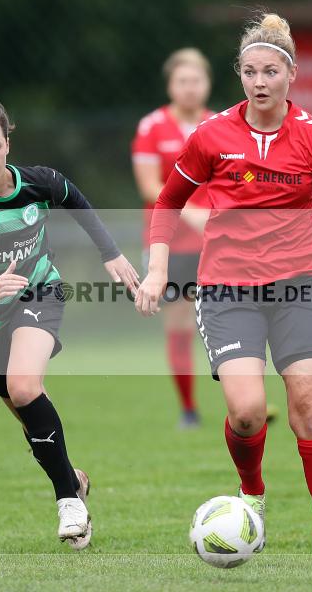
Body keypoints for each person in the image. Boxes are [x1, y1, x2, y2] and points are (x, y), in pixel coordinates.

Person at [134, 14, 312, 571]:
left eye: (270, 71)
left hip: (301, 285)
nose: (259, 81)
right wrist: (156, 269)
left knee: (311, 411)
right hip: (228, 288)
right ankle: (252, 491)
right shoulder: (212, 136)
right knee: (248, 413)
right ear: (240, 76)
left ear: (290, 74)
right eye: (249, 71)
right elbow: (167, 202)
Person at [0, 99, 139, 550]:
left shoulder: (39, 183)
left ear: (8, 143)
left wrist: (112, 254)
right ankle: (73, 480)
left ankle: (67, 500)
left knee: (25, 388)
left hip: (39, 294)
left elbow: (78, 203)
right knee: (26, 414)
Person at [131, 48, 214, 428]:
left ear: (208, 84)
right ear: (170, 85)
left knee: (228, 318)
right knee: (180, 323)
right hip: (169, 244)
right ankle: (189, 408)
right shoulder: (152, 127)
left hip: (214, 243)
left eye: (196, 80)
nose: (190, 88)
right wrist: (192, 213)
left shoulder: (220, 125)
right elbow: (150, 187)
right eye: (182, 81)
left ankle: (245, 401)